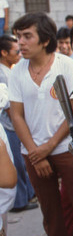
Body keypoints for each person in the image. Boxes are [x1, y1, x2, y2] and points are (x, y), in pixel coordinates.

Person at [10, 12, 73, 236]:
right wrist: (36, 153)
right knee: (50, 211)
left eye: (27, 36)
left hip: (66, 149)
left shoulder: (65, 65)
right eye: (18, 37)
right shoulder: (18, 71)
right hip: (33, 154)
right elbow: (16, 115)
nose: (20, 42)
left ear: (45, 40)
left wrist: (48, 147)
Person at [0, 35, 36, 213]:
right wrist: (20, 122)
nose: (20, 54)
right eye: (16, 51)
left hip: (14, 125)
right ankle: (20, 201)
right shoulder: (2, 74)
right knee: (15, 164)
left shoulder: (9, 70)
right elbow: (9, 106)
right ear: (4, 53)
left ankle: (27, 195)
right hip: (9, 127)